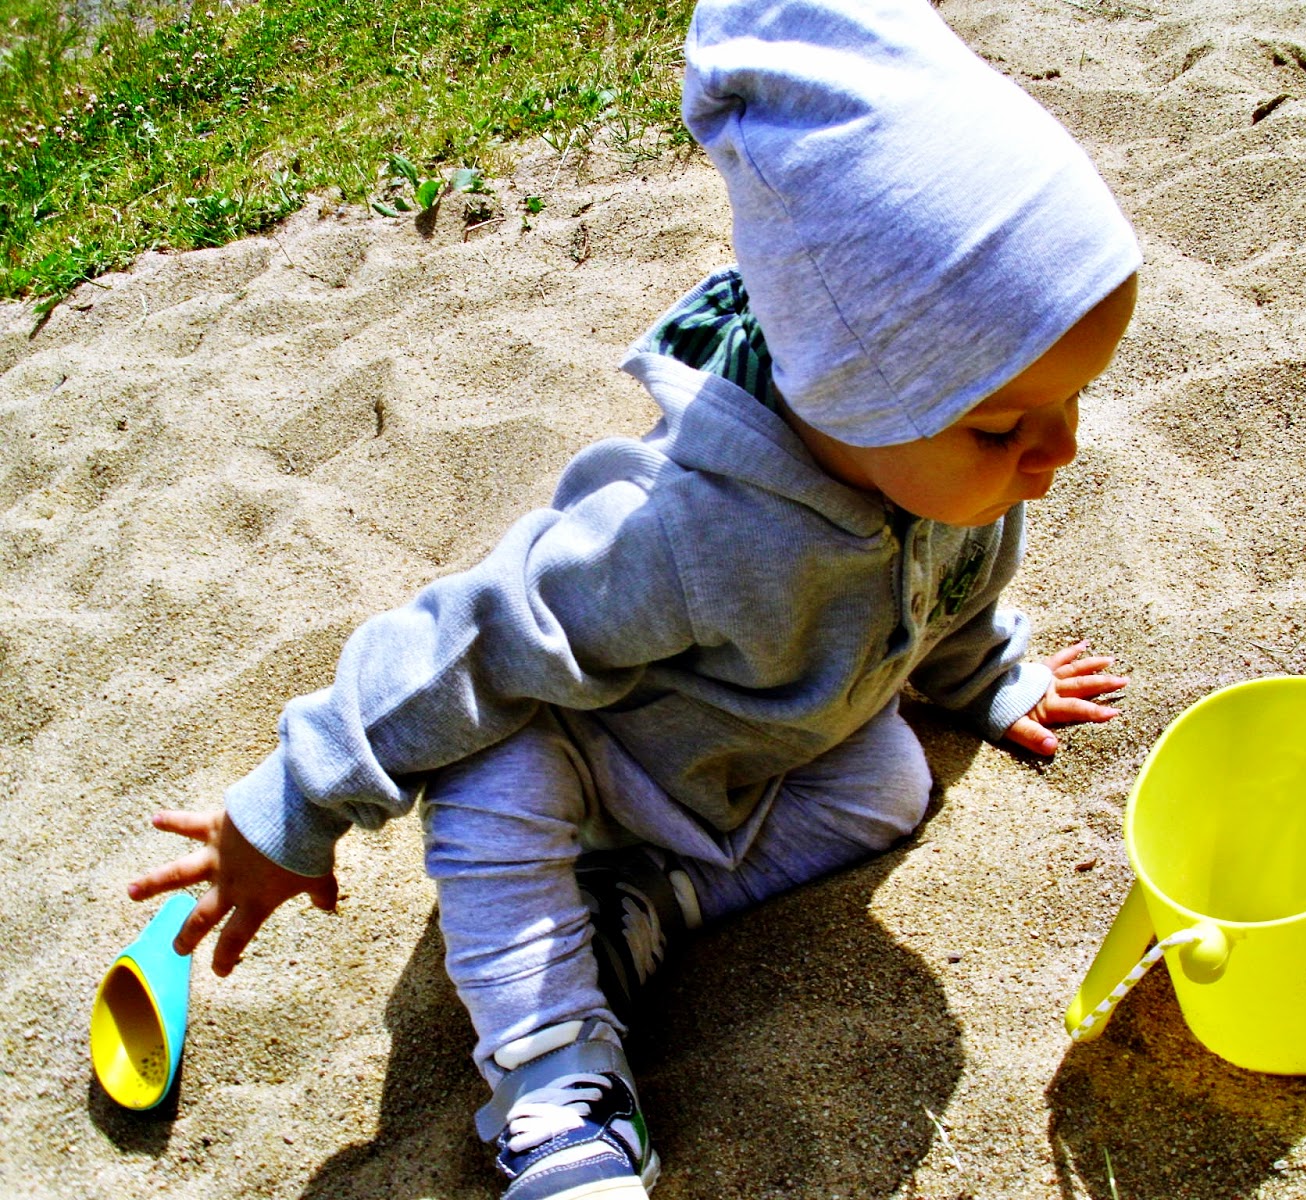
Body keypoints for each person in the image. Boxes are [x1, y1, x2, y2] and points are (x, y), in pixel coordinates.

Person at [127, 1, 1141, 1196]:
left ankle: (643, 908)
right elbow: (470, 639)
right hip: (594, 765)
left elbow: (952, 596)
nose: (1056, 450)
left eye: (1070, 401)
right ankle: (553, 1077)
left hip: (745, 763)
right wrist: (295, 803)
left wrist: (992, 679)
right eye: (1005, 425)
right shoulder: (684, 527)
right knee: (495, 783)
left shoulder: (959, 474)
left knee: (890, 784)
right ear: (847, 392)